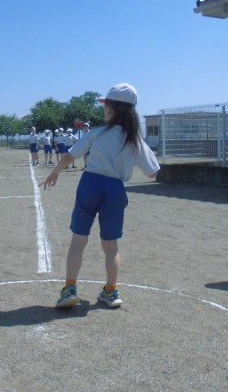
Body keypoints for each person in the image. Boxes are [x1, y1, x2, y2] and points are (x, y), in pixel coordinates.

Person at [43, 83, 160, 307]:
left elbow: (69, 156)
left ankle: (69, 289)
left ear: (111, 109)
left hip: (90, 183)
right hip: (115, 189)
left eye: (106, 105)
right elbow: (152, 173)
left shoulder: (96, 133)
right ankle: (111, 291)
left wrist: (54, 173)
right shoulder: (134, 140)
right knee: (110, 244)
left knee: (78, 240)